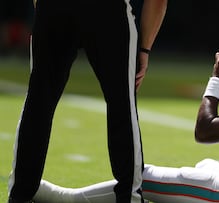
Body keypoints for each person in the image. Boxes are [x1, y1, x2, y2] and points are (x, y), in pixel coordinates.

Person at [32, 27, 219, 203]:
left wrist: (216, 79)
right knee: (206, 165)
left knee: (141, 177)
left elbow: (204, 131)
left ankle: (67, 199)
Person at [7, 0, 167, 202]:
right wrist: (144, 49)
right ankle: (130, 197)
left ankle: (20, 195)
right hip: (106, 10)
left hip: (54, 8)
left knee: (38, 103)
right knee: (122, 106)